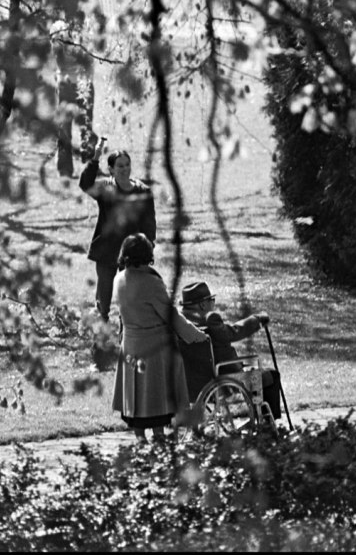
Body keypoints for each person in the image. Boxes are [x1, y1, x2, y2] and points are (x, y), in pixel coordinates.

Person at [111, 234, 208, 443]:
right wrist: (195, 335)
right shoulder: (151, 283)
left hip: (129, 343)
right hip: (154, 347)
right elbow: (170, 315)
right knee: (155, 397)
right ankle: (159, 438)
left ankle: (140, 440)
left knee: (136, 398)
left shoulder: (119, 279)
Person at [178, 281, 283, 420]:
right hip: (224, 379)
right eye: (211, 300)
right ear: (203, 304)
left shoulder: (180, 324)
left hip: (191, 386)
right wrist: (257, 320)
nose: (213, 304)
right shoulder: (209, 319)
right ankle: (267, 424)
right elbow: (233, 332)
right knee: (272, 375)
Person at [79, 141, 156, 321]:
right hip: (107, 252)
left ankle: (127, 338)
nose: (125, 169)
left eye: (127, 165)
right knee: (103, 302)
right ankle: (101, 338)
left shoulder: (143, 191)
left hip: (132, 254)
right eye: (120, 166)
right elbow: (85, 184)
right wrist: (95, 158)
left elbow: (149, 224)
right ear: (111, 169)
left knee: (129, 300)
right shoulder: (106, 187)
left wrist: (148, 247)